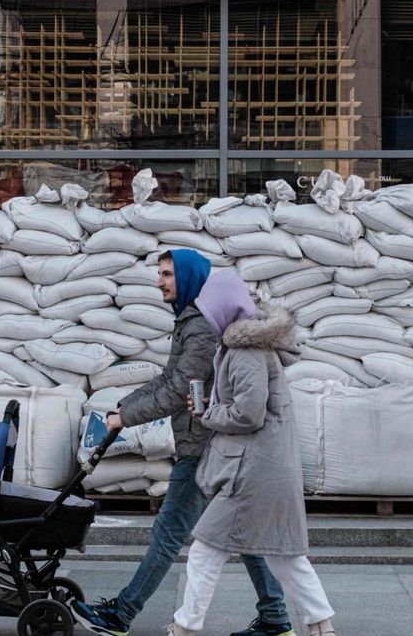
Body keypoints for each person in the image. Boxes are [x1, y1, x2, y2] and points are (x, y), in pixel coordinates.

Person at [71, 249, 294, 636]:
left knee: (169, 532)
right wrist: (124, 406)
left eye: (168, 274)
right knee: (242, 532)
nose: (160, 281)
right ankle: (275, 617)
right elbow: (168, 377)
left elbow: (178, 391)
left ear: (189, 277)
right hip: (209, 442)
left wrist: (127, 417)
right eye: (159, 273)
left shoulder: (201, 326)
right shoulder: (191, 321)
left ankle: (121, 614)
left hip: (205, 446)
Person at [166, 270, 337, 636]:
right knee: (282, 554)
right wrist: (213, 405)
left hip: (252, 473)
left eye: (208, 307)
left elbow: (248, 412)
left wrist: (208, 413)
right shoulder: (245, 347)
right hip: (266, 467)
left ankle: (185, 628)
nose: (206, 315)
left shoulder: (244, 350)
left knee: (205, 550)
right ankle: (322, 625)